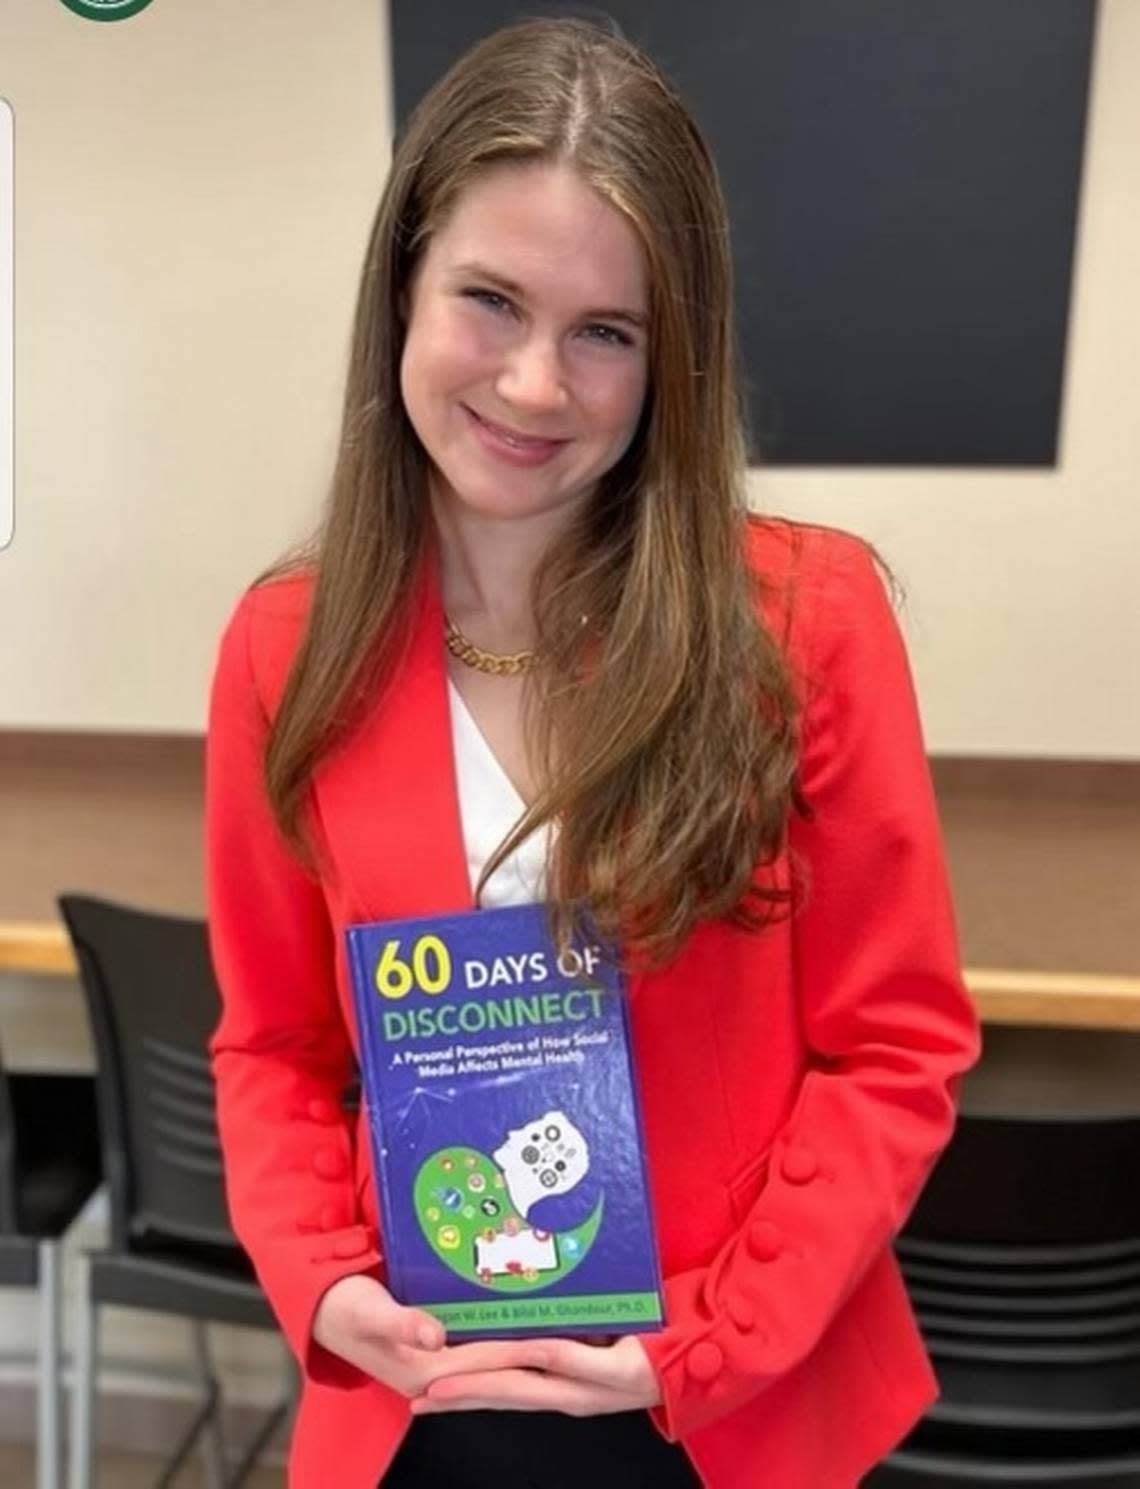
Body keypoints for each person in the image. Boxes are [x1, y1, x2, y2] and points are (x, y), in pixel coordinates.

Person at [205, 17, 980, 1489]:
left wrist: (705, 1338)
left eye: (605, 332)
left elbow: (894, 1050)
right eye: (490, 301)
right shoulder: (283, 646)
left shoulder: (805, 620)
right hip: (417, 1403)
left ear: (670, 359)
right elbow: (276, 1046)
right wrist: (321, 1275)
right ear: (401, 297)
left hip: (723, 1406)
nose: (537, 386)